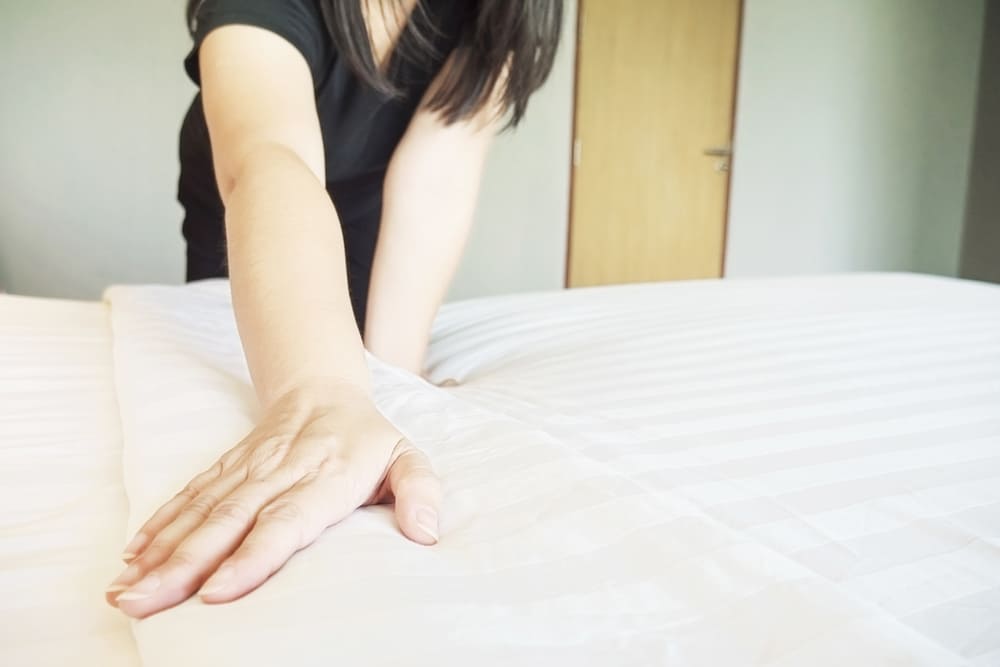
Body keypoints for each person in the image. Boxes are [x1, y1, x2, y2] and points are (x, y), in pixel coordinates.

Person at [105, 0, 563, 618]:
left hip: (367, 216)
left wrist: (394, 379)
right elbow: (269, 156)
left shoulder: (495, 13)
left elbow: (436, 173)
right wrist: (317, 392)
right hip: (257, 213)